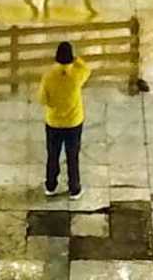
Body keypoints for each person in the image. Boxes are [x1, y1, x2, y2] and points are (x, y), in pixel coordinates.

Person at [38, 39, 92, 198]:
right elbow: (87, 69)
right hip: (73, 122)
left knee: (53, 155)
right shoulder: (76, 75)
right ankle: (74, 188)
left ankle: (50, 185)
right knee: (72, 155)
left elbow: (42, 99)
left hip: (53, 122)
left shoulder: (48, 76)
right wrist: (77, 60)